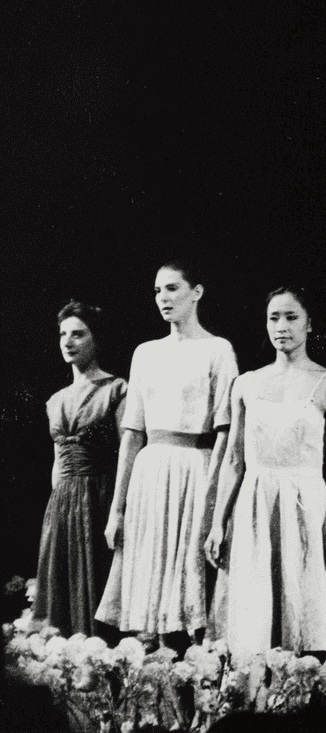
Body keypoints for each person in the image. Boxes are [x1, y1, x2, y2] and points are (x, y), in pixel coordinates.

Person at [205, 287, 326, 661]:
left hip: (307, 504)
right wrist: (217, 523)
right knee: (255, 616)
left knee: (308, 607)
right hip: (256, 504)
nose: (281, 326)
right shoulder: (246, 383)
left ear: (308, 324)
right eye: (274, 318)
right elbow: (234, 461)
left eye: (291, 317)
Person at [97, 261, 238, 646]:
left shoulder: (218, 349)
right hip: (150, 475)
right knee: (150, 588)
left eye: (173, 289)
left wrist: (212, 495)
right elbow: (132, 434)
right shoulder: (145, 353)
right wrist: (117, 509)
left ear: (197, 292)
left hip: (196, 469)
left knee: (190, 588)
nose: (164, 298)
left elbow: (226, 431)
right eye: (158, 291)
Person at [33, 301, 128, 637]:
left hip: (100, 498)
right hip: (62, 505)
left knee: (98, 588)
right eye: (63, 334)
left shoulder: (117, 390)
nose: (68, 341)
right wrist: (54, 512)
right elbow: (58, 462)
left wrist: (119, 509)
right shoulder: (55, 400)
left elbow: (128, 454)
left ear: (95, 339)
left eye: (78, 334)